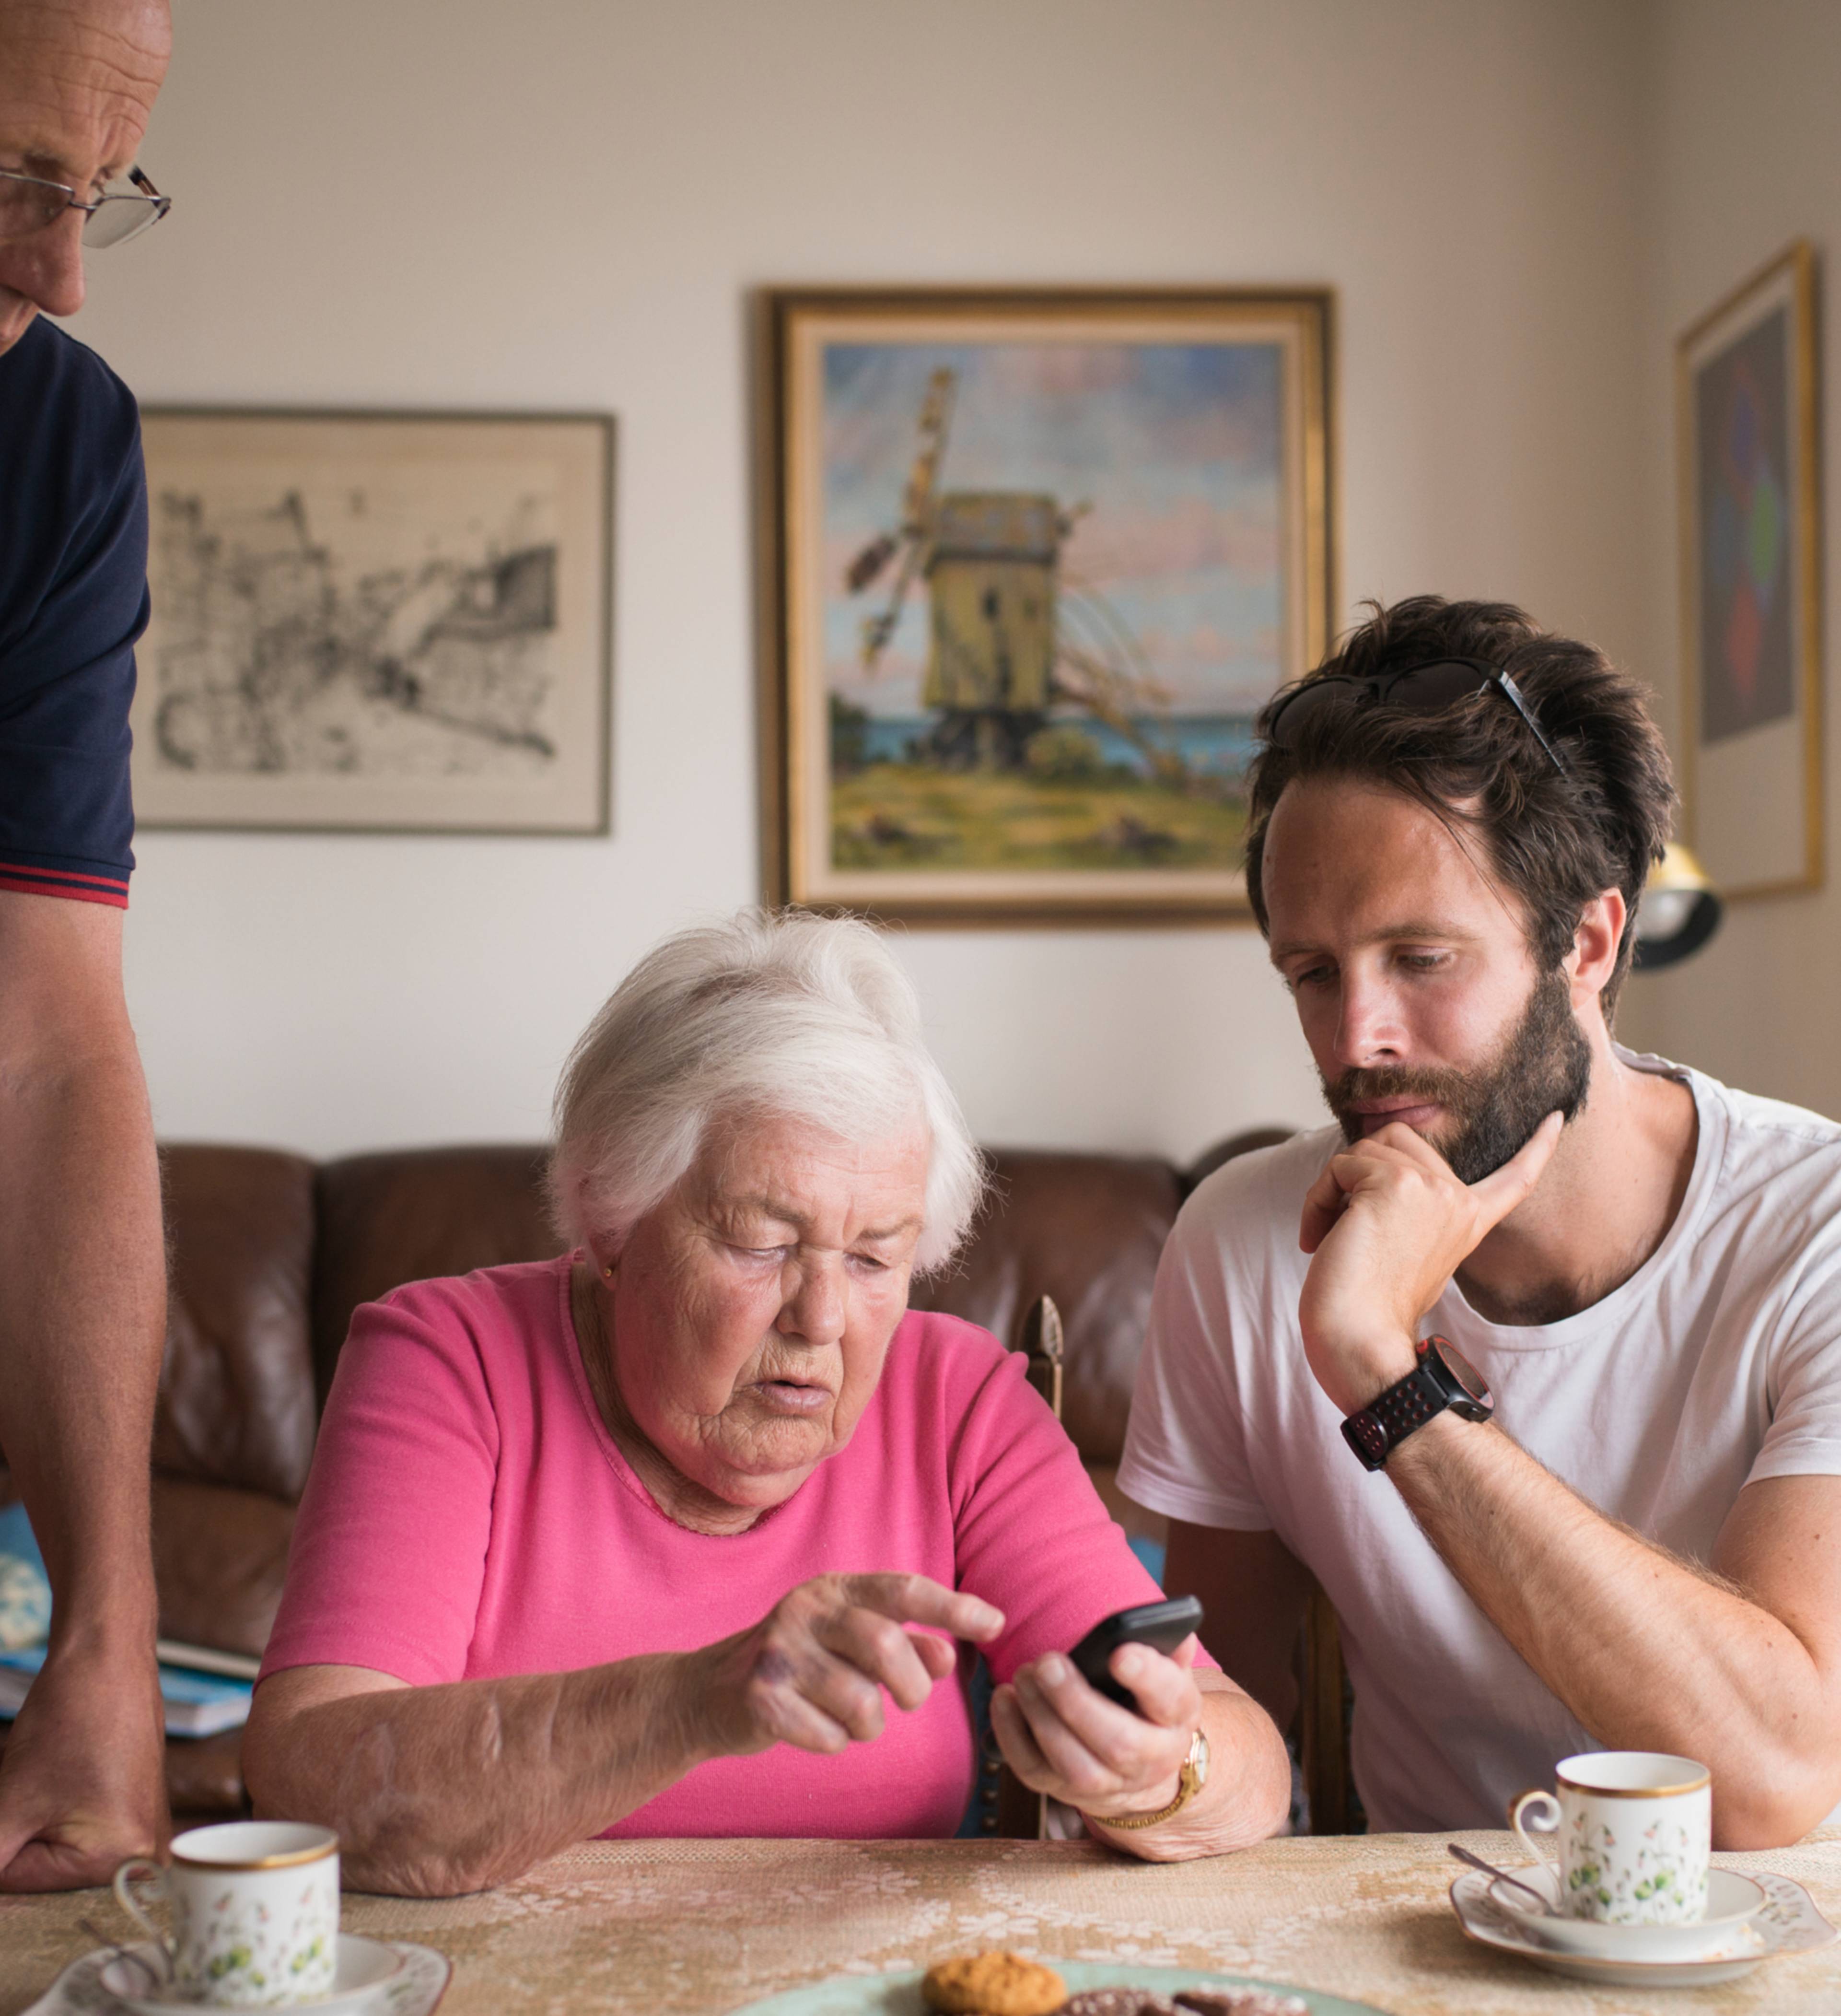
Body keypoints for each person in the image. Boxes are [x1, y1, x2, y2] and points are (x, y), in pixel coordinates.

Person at [244, 912, 1291, 1895]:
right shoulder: (450, 1361)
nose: (823, 1317)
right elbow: (304, 1778)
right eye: (761, 1242)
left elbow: (1252, 1766)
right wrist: (694, 1700)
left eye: (874, 1256)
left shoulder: (956, 1401)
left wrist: (1162, 1768)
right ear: (611, 1225)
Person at [1120, 596, 1841, 1848]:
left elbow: (1772, 1779)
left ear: (1589, 942)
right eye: (1313, 971)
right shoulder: (1240, 1244)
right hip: (1426, 1925)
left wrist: (1388, 1375)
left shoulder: (1812, 1226)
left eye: (1421, 957)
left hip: (1780, 1930)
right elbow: (1220, 1721)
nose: (1357, 1037)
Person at [0, 0, 176, 1892]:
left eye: (97, 194)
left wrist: (105, 1646)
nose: (57, 275)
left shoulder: (55, 442)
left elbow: (45, 1047)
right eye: (8, 183)